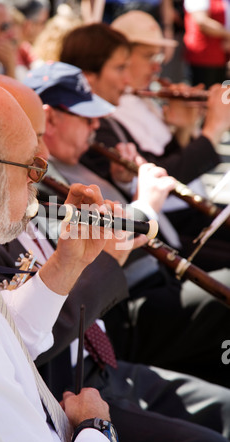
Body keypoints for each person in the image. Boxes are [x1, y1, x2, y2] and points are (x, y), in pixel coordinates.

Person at [0, 72, 230, 442]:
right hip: (73, 387)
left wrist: (128, 197)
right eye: (32, 140)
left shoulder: (45, 183)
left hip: (103, 361)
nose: (42, 156)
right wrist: (132, 223)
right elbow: (34, 332)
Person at [0, 75, 124, 442]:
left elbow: (3, 338)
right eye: (32, 167)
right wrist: (98, 428)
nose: (40, 175)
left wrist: (67, 263)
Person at [22, 60, 230, 389]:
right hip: (122, 311)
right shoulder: (43, 181)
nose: (96, 127)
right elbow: (94, 242)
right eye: (87, 118)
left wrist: (125, 187)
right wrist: (145, 204)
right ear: (50, 118)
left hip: (153, 282)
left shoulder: (80, 158)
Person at [60, 19, 230, 273]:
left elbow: (161, 166)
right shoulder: (101, 119)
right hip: (153, 235)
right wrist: (211, 131)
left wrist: (184, 128)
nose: (156, 65)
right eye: (121, 67)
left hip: (166, 221)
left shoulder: (133, 101)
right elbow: (157, 172)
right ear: (89, 77)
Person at [183, 0, 230, 89]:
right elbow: (202, 22)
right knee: (203, 97)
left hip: (223, 58)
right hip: (204, 57)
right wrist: (227, 34)